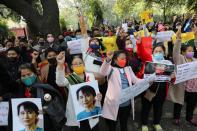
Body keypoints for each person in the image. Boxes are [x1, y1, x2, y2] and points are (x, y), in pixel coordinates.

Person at [8, 63, 66, 131]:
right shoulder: (18, 90)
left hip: (45, 126)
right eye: (23, 76)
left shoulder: (46, 89)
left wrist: (43, 110)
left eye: (29, 74)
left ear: (35, 74)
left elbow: (57, 109)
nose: (27, 77)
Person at [56, 52, 102, 131]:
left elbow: (94, 90)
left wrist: (98, 95)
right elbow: (60, 82)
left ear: (84, 64)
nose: (78, 65)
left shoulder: (90, 75)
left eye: (80, 63)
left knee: (94, 127)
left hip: (92, 108)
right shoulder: (69, 78)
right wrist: (60, 65)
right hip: (79, 110)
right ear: (71, 67)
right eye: (75, 64)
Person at [100, 50, 144, 131]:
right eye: (122, 59)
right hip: (113, 103)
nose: (124, 60)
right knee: (113, 125)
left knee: (124, 123)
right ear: (116, 60)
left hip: (126, 102)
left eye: (125, 59)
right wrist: (108, 59)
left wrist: (148, 80)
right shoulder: (111, 69)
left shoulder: (128, 69)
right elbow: (103, 72)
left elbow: (136, 80)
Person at [168, 26, 197, 126]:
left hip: (193, 88)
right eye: (189, 50)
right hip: (182, 86)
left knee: (191, 104)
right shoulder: (179, 58)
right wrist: (179, 39)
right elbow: (176, 50)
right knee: (179, 103)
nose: (191, 52)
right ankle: (176, 118)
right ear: (184, 52)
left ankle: (190, 118)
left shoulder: (195, 60)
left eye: (192, 50)